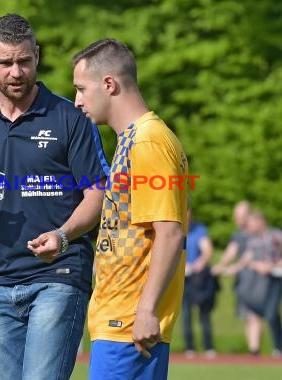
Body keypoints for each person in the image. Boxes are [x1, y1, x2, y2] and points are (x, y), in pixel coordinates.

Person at [0, 14, 108, 380]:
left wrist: (62, 236)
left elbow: (98, 194)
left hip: (58, 276)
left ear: (37, 56)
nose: (16, 72)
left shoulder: (70, 118)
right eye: (5, 63)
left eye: (24, 61)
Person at [72, 38, 188, 380]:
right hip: (118, 317)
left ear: (109, 84)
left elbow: (169, 231)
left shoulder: (148, 142)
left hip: (129, 320)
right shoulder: (132, 140)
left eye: (81, 89)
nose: (77, 101)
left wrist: (148, 310)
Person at [234, 210, 282, 357]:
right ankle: (256, 349)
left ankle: (280, 347)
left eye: (252, 222)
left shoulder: (276, 236)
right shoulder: (252, 240)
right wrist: (255, 265)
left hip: (274, 280)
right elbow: (246, 259)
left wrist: (275, 266)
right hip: (257, 283)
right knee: (254, 314)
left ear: (261, 221)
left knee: (272, 313)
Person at [212, 201, 262, 355]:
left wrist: (237, 267)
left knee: (255, 315)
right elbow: (231, 251)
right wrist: (220, 265)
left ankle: (256, 349)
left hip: (257, 280)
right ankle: (253, 349)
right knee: (247, 315)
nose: (236, 219)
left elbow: (250, 255)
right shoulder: (238, 234)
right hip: (243, 281)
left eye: (239, 216)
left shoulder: (257, 233)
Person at [182, 208, 216, 359]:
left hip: (198, 279)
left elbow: (207, 250)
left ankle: (208, 346)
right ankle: (189, 347)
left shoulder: (199, 230)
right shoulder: (176, 229)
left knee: (204, 314)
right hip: (182, 279)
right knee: (185, 314)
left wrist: (198, 263)